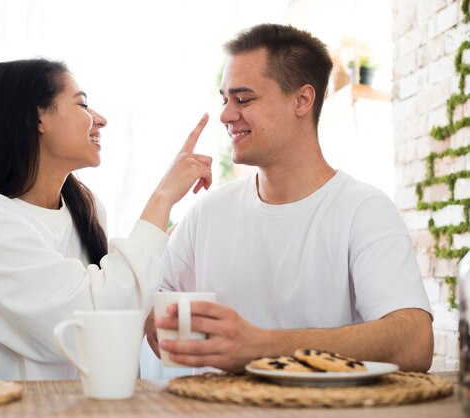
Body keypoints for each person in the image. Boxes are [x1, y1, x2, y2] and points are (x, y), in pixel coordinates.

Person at [146, 23, 434, 373]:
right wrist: (156, 315)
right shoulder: (206, 213)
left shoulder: (364, 211)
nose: (225, 115)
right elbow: (154, 317)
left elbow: (414, 343)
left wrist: (260, 346)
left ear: (302, 100)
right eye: (225, 99)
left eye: (243, 99)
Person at [0, 59, 212, 380]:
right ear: (36, 117)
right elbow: (78, 327)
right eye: (82, 104)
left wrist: (147, 309)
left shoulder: (86, 208)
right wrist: (162, 197)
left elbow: (107, 302)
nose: (101, 120)